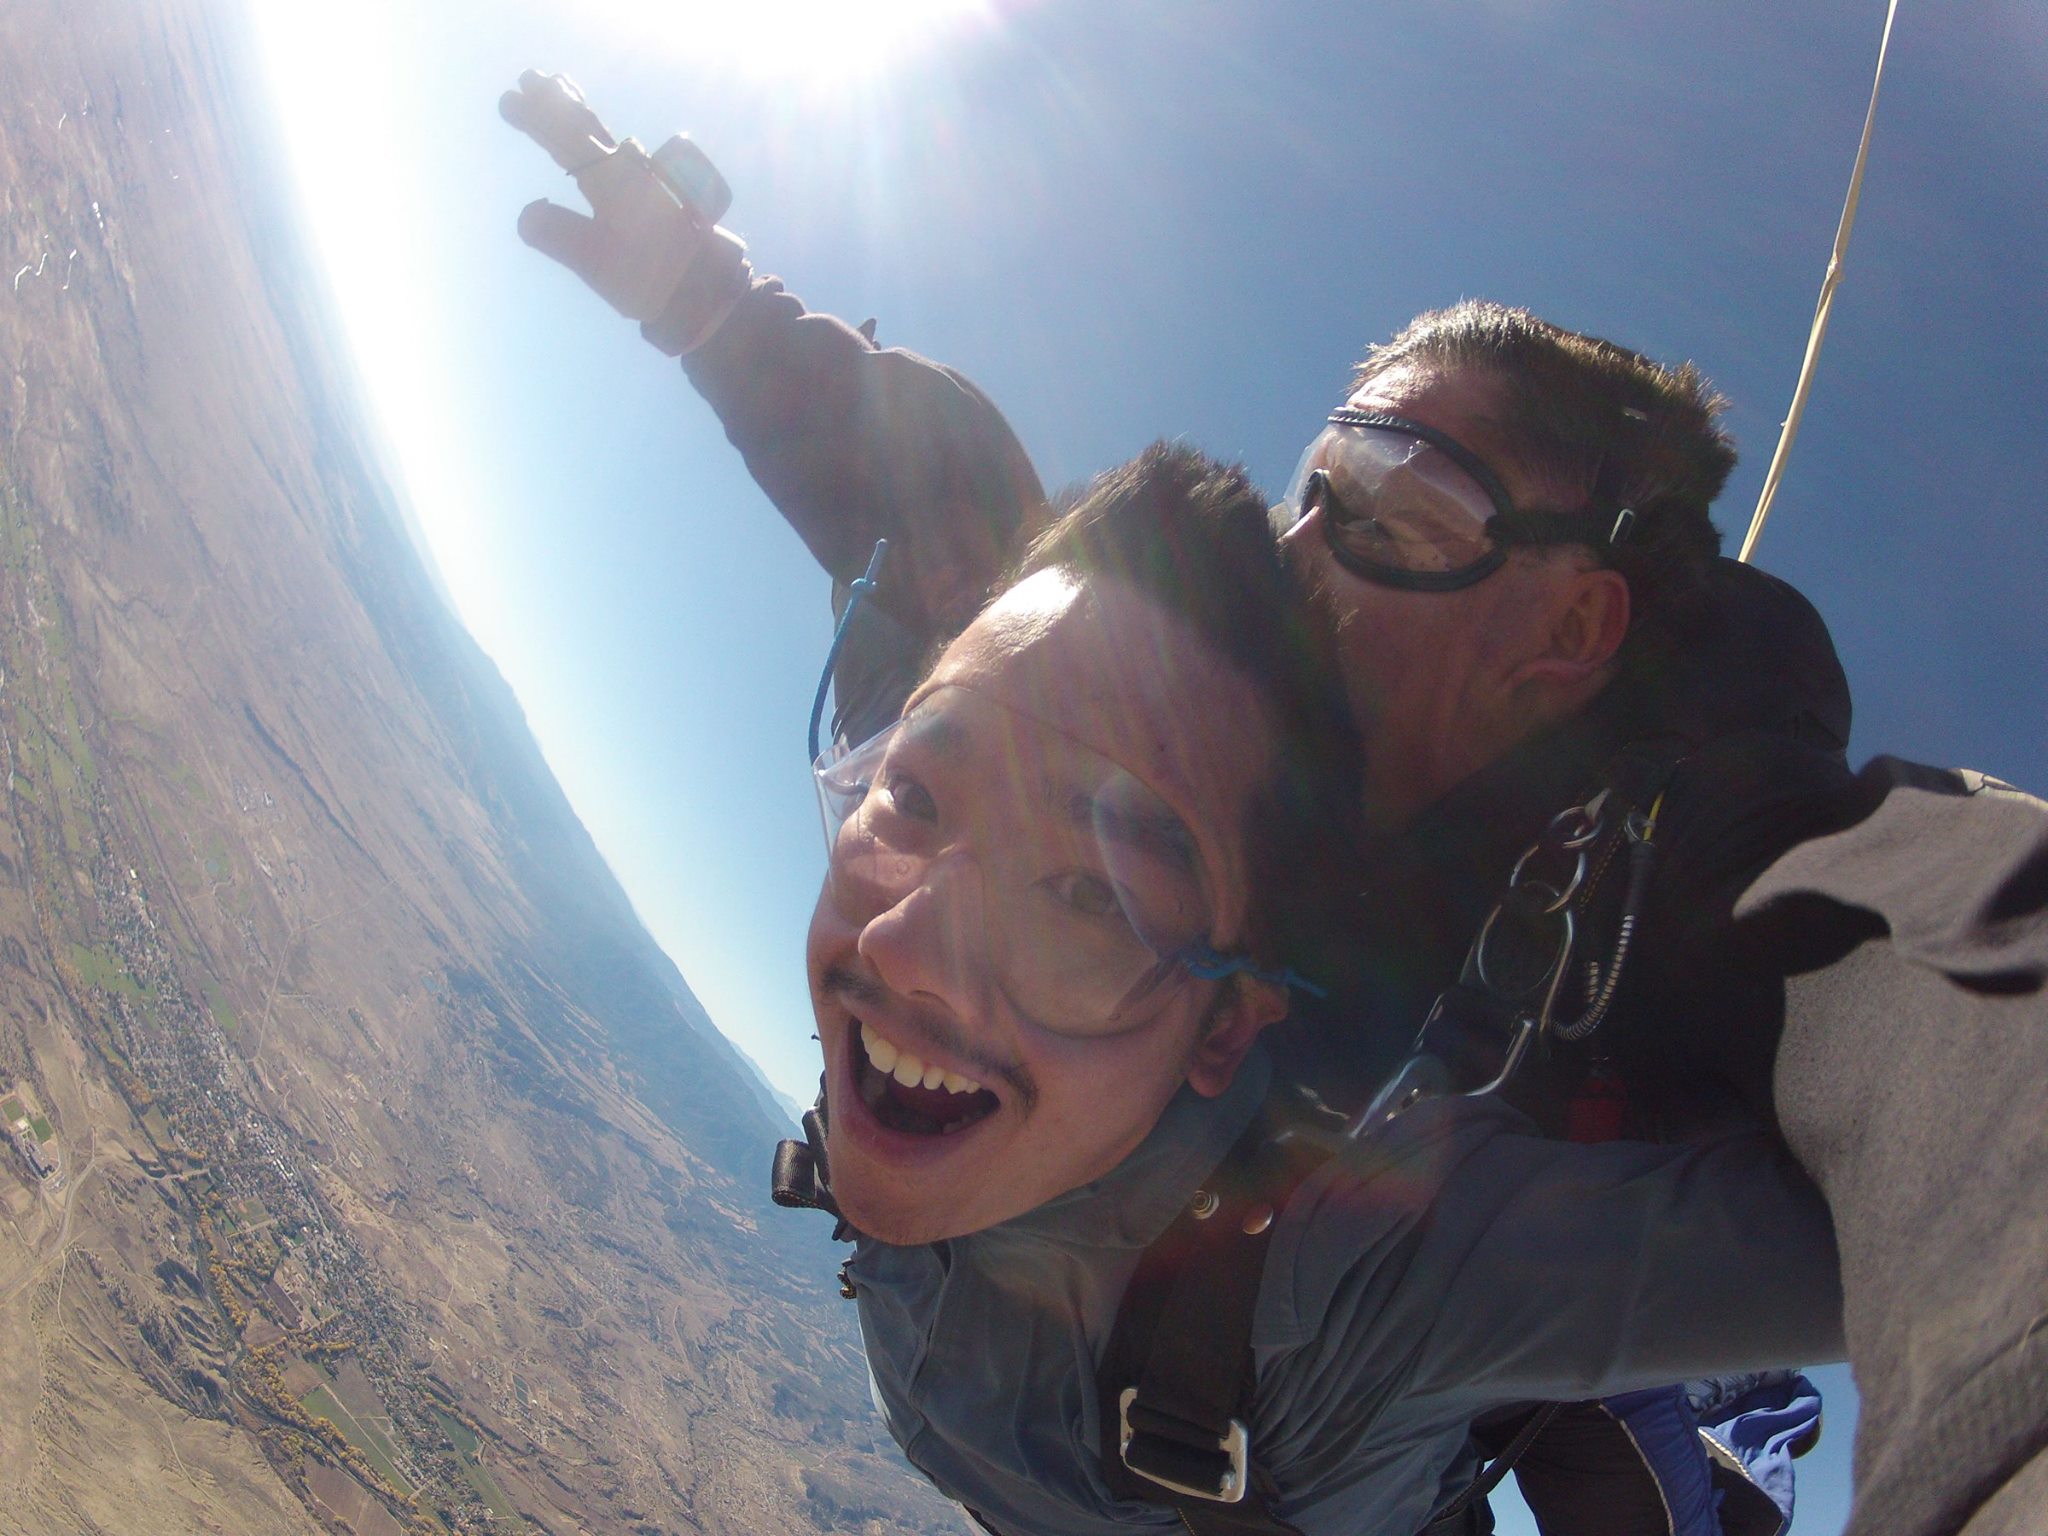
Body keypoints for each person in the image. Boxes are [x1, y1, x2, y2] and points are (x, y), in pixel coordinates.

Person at [499, 74, 2048, 1536]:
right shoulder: (1126, 723)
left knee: (1616, 1413)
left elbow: (1969, 1008)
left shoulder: (1659, 907)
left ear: (1577, 627)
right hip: (1005, 1390)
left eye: (1399, 508)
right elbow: (944, 516)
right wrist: (712, 301)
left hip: (1295, 1439)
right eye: (1317, 482)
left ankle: (1728, 1433)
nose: (1303, 547)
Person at [796, 437, 1841, 1536]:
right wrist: (714, 335)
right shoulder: (907, 832)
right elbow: (870, 437)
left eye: (1090, 896)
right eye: (914, 793)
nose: (903, 948)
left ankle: (1742, 1436)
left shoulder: (1364, 1287)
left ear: (1224, 1026)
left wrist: (1779, 808)